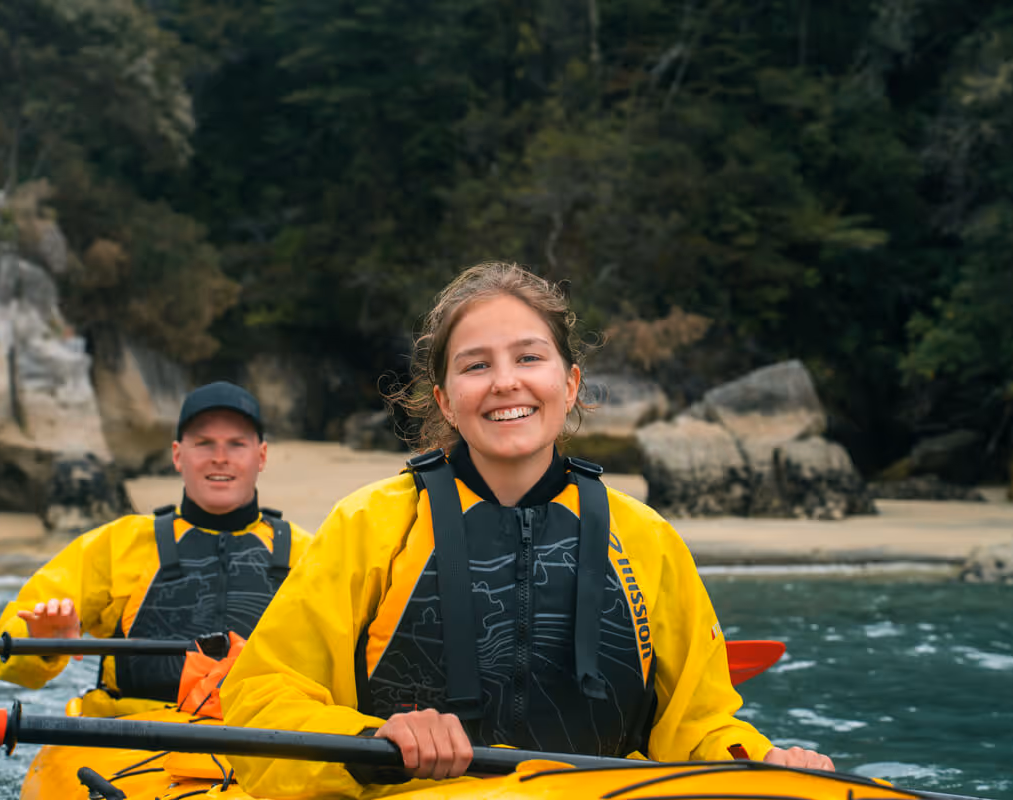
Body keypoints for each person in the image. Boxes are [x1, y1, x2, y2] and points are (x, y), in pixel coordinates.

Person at [219, 262, 834, 798]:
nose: (505, 381)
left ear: (568, 385)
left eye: (529, 357)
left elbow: (699, 724)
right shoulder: (371, 525)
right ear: (446, 399)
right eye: (476, 365)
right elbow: (261, 702)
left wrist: (762, 762)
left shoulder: (646, 539)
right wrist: (370, 738)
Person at [0, 380, 312, 716]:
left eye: (236, 444)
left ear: (260, 456)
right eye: (204, 443)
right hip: (135, 735)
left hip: (267, 735)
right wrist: (39, 639)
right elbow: (11, 659)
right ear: (177, 455)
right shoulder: (119, 544)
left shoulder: (307, 554)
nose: (220, 458)